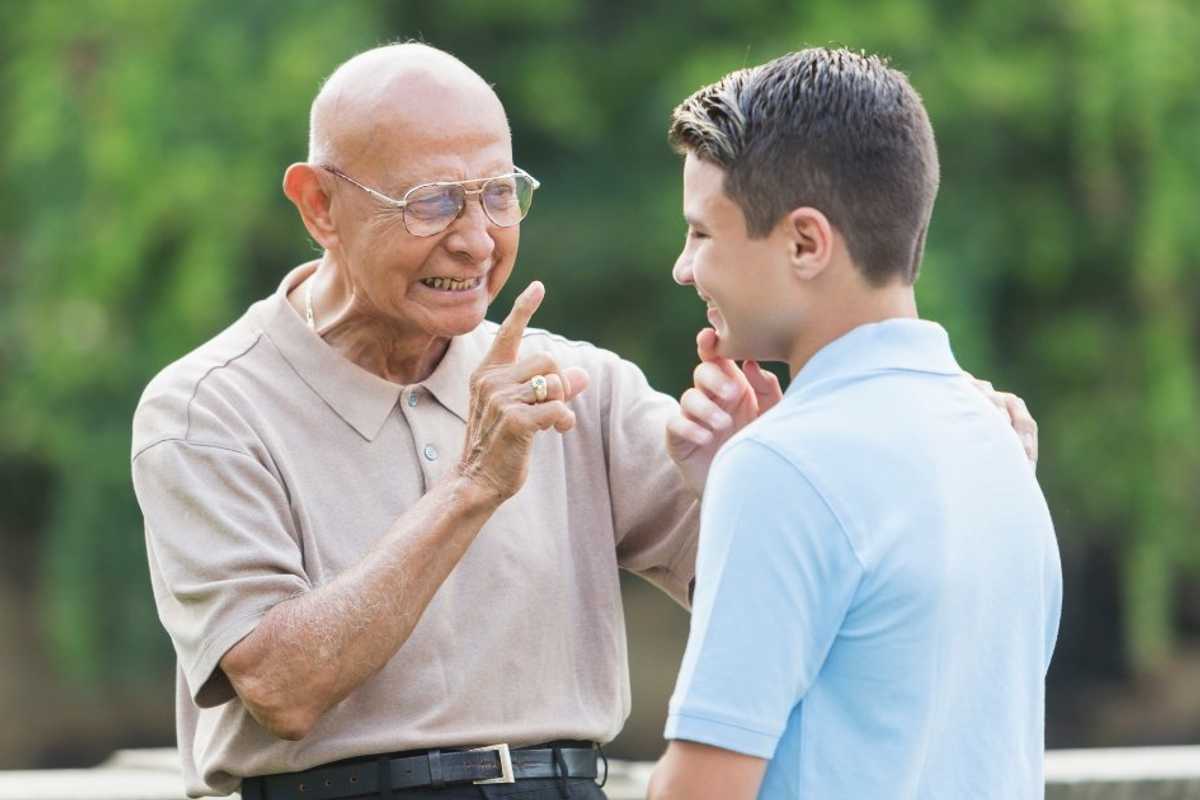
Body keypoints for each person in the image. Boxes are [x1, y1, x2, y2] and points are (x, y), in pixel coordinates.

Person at [130, 43, 1039, 799]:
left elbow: (784, 586)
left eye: (498, 194)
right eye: (433, 202)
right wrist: (471, 490)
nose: (478, 238)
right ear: (319, 205)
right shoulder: (206, 409)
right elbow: (279, 689)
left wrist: (749, 468)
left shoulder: (581, 382)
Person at [646, 49, 1062, 800]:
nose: (684, 267)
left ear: (805, 242)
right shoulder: (1002, 444)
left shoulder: (781, 467)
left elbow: (699, 792)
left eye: (702, 234)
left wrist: (756, 480)